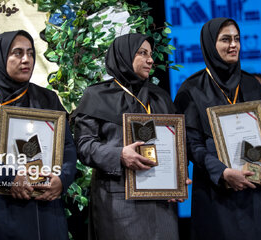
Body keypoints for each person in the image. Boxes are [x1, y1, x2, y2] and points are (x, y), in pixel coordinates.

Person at [174, 18, 261, 240]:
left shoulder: (251, 84)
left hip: (259, 195)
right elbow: (191, 145)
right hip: (217, 196)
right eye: (225, 39)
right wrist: (223, 172)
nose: (233, 45)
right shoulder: (191, 90)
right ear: (210, 44)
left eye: (237, 39)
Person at [0, 30, 77, 239]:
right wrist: (8, 177)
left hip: (46, 207)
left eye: (31, 53)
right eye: (17, 53)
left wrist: (62, 179)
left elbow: (67, 146)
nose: (26, 60)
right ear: (0, 57)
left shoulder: (48, 98)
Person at [73, 33, 186, 240]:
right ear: (123, 55)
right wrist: (119, 155)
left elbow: (177, 142)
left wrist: (177, 176)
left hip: (161, 202)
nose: (150, 60)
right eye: (142, 53)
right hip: (119, 201)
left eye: (151, 54)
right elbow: (84, 145)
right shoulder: (97, 95)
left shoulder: (159, 96)